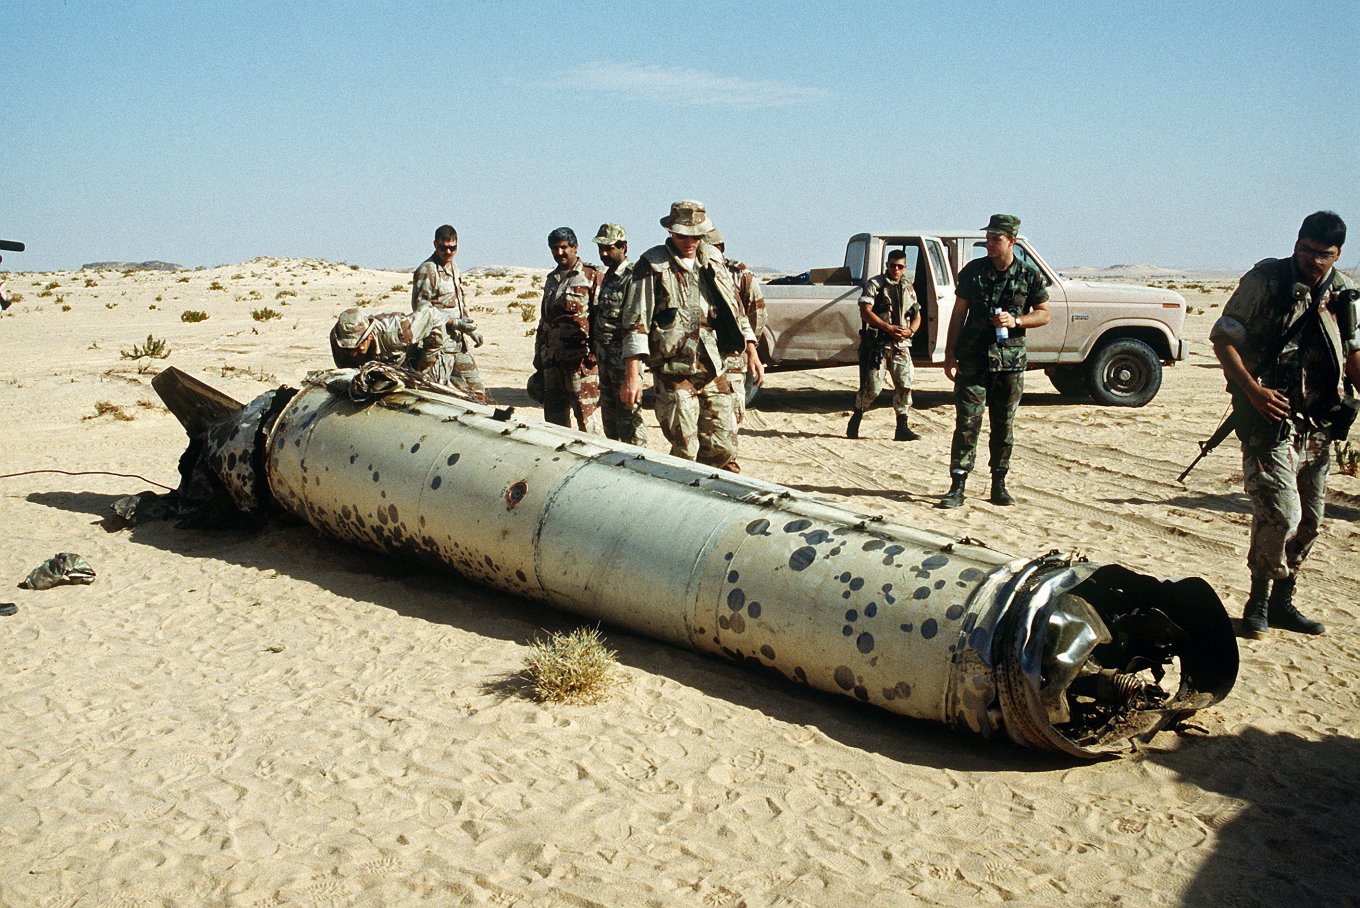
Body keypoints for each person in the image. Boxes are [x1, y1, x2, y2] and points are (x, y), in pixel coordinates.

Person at [1210, 210, 1359, 639]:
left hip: (1319, 423)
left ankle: (1282, 602)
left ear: (1338, 254)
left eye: (1324, 255)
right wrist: (1254, 391)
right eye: (1308, 251)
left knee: (1310, 520)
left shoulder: (1344, 292)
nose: (1314, 262)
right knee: (1281, 512)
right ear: (1297, 244)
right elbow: (1223, 339)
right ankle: (1257, 601)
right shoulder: (1265, 282)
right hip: (1269, 418)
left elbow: (1353, 352)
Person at [620, 200, 764, 470]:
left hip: (714, 365)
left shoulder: (713, 259)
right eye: (682, 236)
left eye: (696, 236)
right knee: (686, 449)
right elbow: (635, 321)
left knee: (724, 447)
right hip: (674, 371)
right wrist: (632, 376)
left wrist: (752, 350)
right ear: (671, 233)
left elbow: (735, 309)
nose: (690, 242)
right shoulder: (652, 265)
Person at [939, 214, 1051, 508]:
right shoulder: (974, 271)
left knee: (1003, 425)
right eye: (987, 238)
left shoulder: (1029, 275)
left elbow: (1044, 313)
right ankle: (958, 485)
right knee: (967, 423)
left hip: (1009, 363)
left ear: (1011, 240)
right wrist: (949, 353)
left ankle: (999, 484)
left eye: (995, 239)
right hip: (973, 360)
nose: (988, 243)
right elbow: (958, 312)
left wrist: (1016, 321)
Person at [847, 248, 922, 440]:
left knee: (905, 384)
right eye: (892, 266)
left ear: (905, 268)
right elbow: (865, 311)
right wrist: (887, 328)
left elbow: (916, 314)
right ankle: (857, 415)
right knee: (873, 387)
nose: (896, 269)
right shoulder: (875, 284)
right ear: (886, 265)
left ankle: (902, 427)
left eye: (899, 266)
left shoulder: (908, 287)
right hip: (878, 344)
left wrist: (910, 331)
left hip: (901, 344)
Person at [536, 227, 604, 434]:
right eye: (554, 249)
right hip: (553, 361)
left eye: (564, 248)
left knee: (586, 421)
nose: (559, 253)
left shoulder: (591, 276)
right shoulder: (552, 279)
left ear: (575, 247)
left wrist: (595, 354)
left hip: (581, 363)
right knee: (555, 422)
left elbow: (600, 318)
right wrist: (539, 354)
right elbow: (544, 320)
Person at [412, 224, 487, 400]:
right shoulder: (427, 270)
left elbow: (459, 303)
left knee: (476, 393)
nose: (448, 252)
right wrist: (452, 323)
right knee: (438, 394)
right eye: (443, 247)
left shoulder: (454, 268)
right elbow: (421, 309)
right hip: (438, 345)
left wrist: (470, 329)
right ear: (435, 245)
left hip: (458, 342)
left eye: (452, 248)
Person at [704, 227, 767, 425]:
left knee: (730, 418)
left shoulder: (738, 275)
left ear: (720, 248)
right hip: (703, 357)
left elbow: (756, 313)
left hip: (732, 355)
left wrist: (747, 346)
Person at [590, 223, 646, 444]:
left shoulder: (632, 277)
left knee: (630, 421)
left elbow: (635, 322)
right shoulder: (609, 277)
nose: (604, 253)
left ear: (623, 246)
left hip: (625, 363)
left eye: (609, 248)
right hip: (605, 362)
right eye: (601, 248)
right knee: (610, 422)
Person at [329, 306, 454, 372]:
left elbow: (432, 316)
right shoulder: (338, 339)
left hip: (414, 360)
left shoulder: (397, 331)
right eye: (347, 348)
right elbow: (347, 370)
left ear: (370, 335)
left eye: (357, 346)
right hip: (381, 370)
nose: (352, 353)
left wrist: (427, 359)